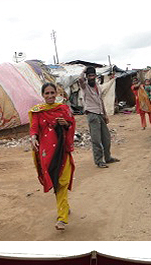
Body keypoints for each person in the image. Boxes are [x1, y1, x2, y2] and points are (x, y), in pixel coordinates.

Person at [29, 83, 76, 230]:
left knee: (62, 181)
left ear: (56, 93)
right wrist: (34, 138)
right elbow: (34, 127)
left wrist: (66, 124)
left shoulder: (63, 109)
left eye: (52, 93)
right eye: (46, 93)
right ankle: (64, 207)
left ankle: (62, 218)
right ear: (42, 95)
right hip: (47, 153)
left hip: (62, 150)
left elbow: (72, 123)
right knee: (56, 180)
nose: (49, 96)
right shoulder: (38, 111)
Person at [78, 66, 119, 168]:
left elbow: (101, 101)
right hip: (92, 114)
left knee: (106, 138)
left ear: (95, 76)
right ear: (87, 77)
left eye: (93, 75)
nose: (91, 77)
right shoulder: (85, 86)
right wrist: (84, 70)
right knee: (96, 139)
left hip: (100, 113)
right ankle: (99, 161)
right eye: (89, 76)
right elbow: (80, 79)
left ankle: (108, 157)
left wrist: (105, 115)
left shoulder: (98, 86)